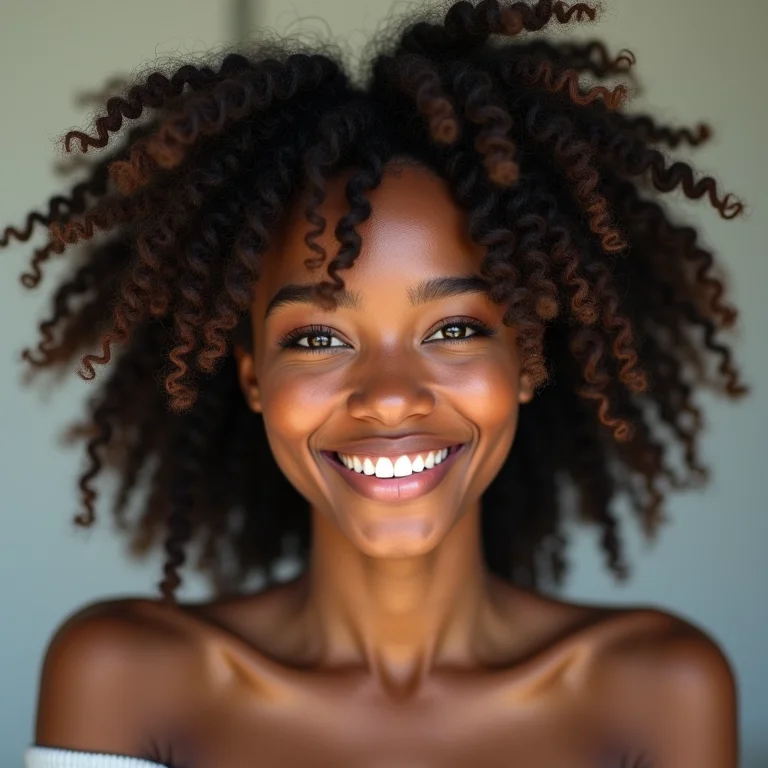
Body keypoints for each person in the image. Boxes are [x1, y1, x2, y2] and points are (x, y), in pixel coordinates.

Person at [10, 0, 747, 765]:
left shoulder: (658, 688)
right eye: (319, 337)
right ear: (254, 377)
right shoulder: (126, 678)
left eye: (454, 330)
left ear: (527, 358)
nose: (390, 395)